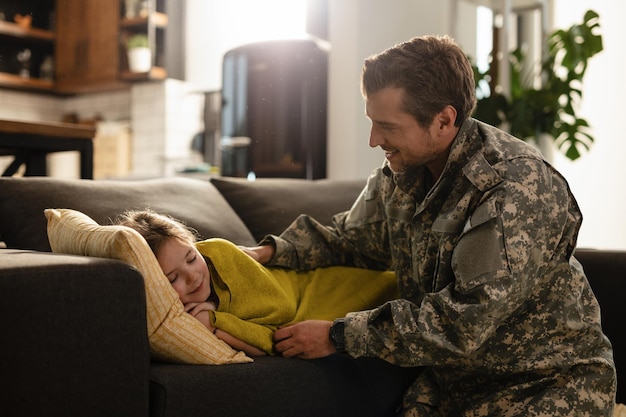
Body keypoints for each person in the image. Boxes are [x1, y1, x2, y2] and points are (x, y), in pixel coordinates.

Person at [240, 35, 617, 415]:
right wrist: (271, 252)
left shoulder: (514, 185)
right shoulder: (401, 173)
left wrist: (340, 336)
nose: (374, 140)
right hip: (451, 387)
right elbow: (352, 240)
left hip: (545, 385)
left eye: (387, 126)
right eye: (372, 122)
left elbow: (466, 320)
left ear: (444, 120)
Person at [115, 209, 398, 357]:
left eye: (191, 257)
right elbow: (273, 345)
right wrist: (215, 324)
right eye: (172, 278)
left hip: (338, 289)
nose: (192, 276)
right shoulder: (179, 315)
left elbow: (282, 313)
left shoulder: (220, 253)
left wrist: (217, 319)